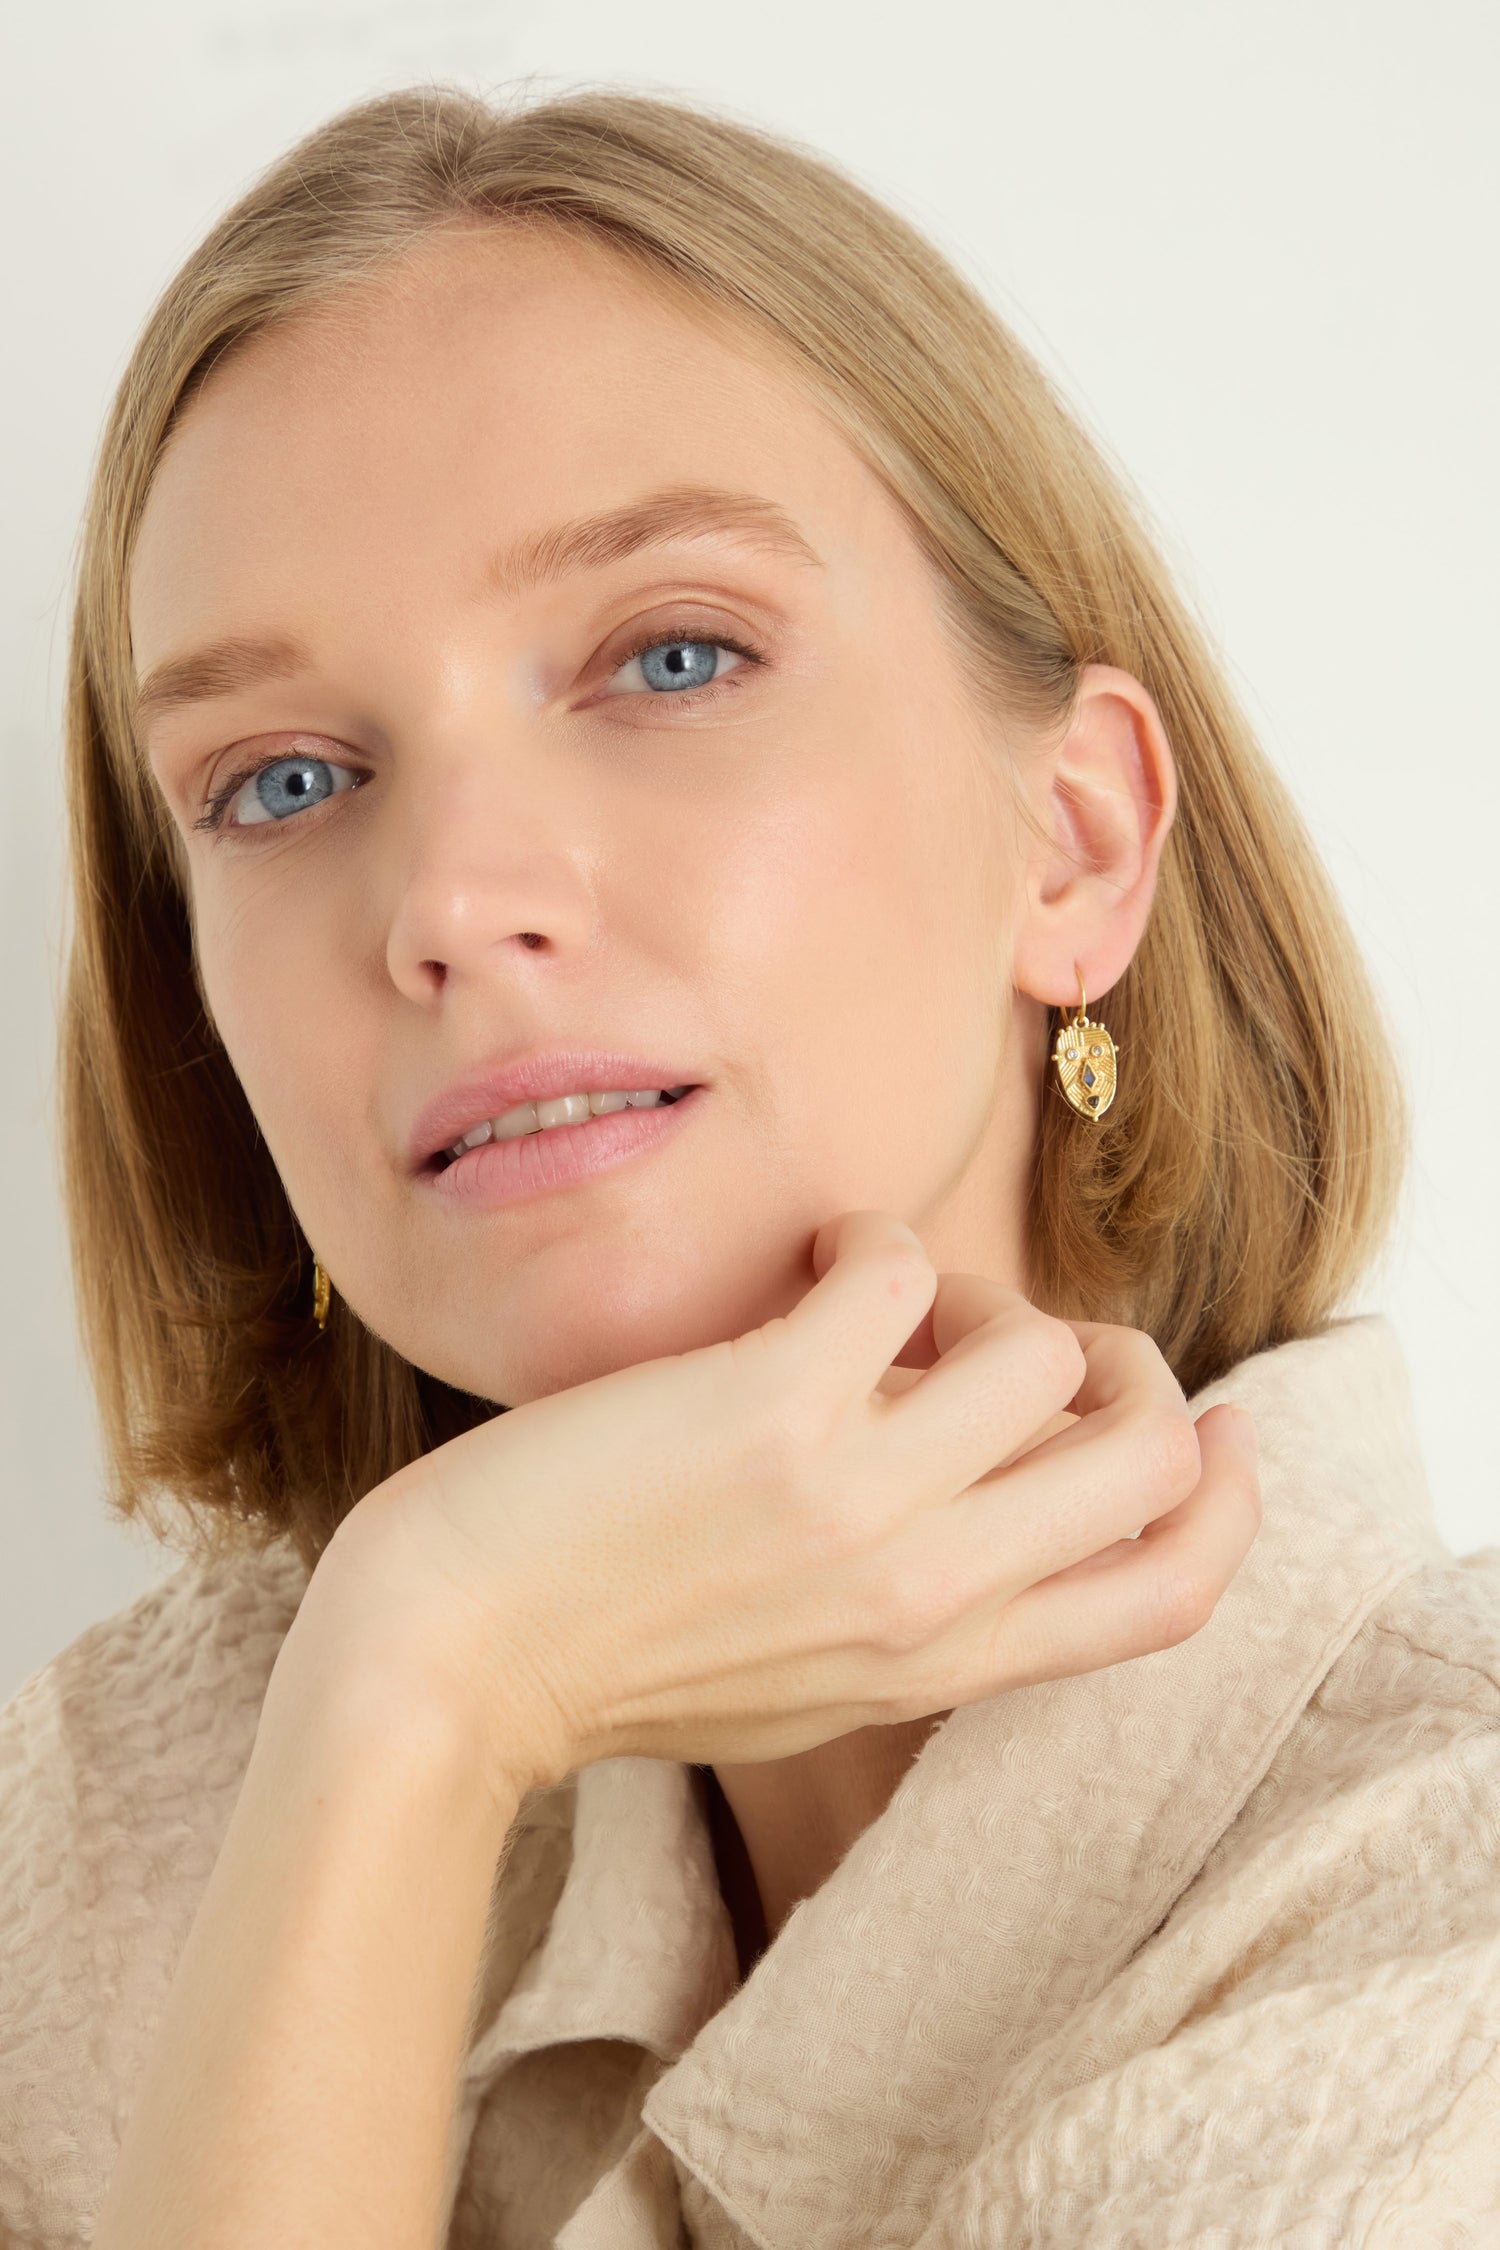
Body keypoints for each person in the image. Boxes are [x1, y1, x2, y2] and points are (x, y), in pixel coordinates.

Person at [2, 81, 1496, 2250]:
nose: (446, 898)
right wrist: (410, 1697)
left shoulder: (1444, 1918)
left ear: (1073, 844)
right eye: (282, 777)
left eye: (671, 654)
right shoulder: (121, 1835)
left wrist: (438, 1676)